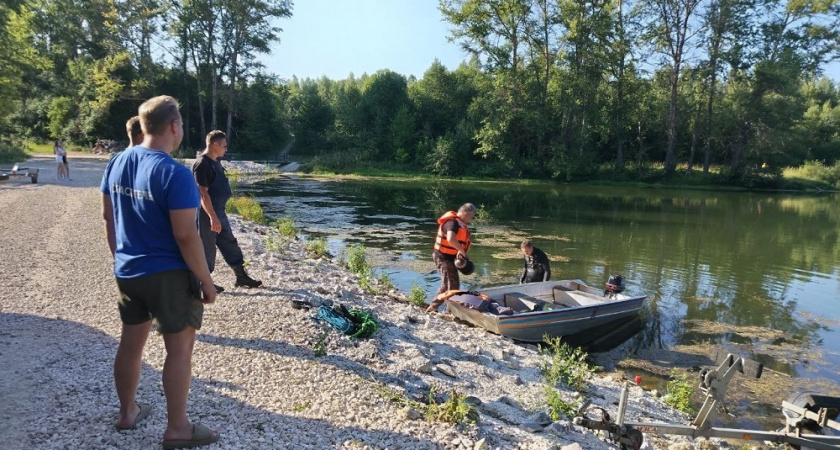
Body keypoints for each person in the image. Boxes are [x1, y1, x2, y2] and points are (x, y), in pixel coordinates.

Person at [101, 95, 220, 449]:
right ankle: (178, 428)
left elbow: (109, 219)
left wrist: (122, 258)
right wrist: (206, 281)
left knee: (131, 344)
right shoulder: (174, 173)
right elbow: (186, 235)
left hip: (128, 270)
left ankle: (128, 412)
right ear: (173, 126)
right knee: (179, 350)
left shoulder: (116, 162)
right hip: (167, 275)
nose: (181, 128)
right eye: (181, 122)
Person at [192, 130, 262, 292]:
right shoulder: (202, 164)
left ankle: (241, 276)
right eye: (224, 145)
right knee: (207, 248)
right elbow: (203, 193)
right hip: (207, 213)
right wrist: (212, 217)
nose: (226, 148)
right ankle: (203, 283)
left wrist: (218, 216)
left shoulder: (215, 161)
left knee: (229, 243)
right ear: (214, 145)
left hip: (219, 211)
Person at [426, 203, 476, 313]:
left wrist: (459, 252)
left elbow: (456, 242)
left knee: (447, 283)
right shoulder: (452, 222)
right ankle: (450, 311)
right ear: (465, 213)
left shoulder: (459, 223)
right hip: (443, 256)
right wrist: (462, 250)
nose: (472, 219)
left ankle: (433, 307)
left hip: (449, 256)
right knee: (452, 284)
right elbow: (451, 239)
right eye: (472, 216)